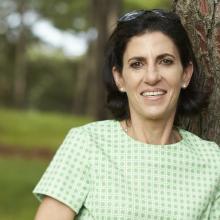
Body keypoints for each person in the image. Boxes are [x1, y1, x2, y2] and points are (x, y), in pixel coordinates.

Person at [33, 9, 220, 220]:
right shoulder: (87, 144)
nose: (152, 76)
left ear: (185, 74)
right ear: (120, 78)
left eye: (165, 61)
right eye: (137, 64)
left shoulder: (211, 160)